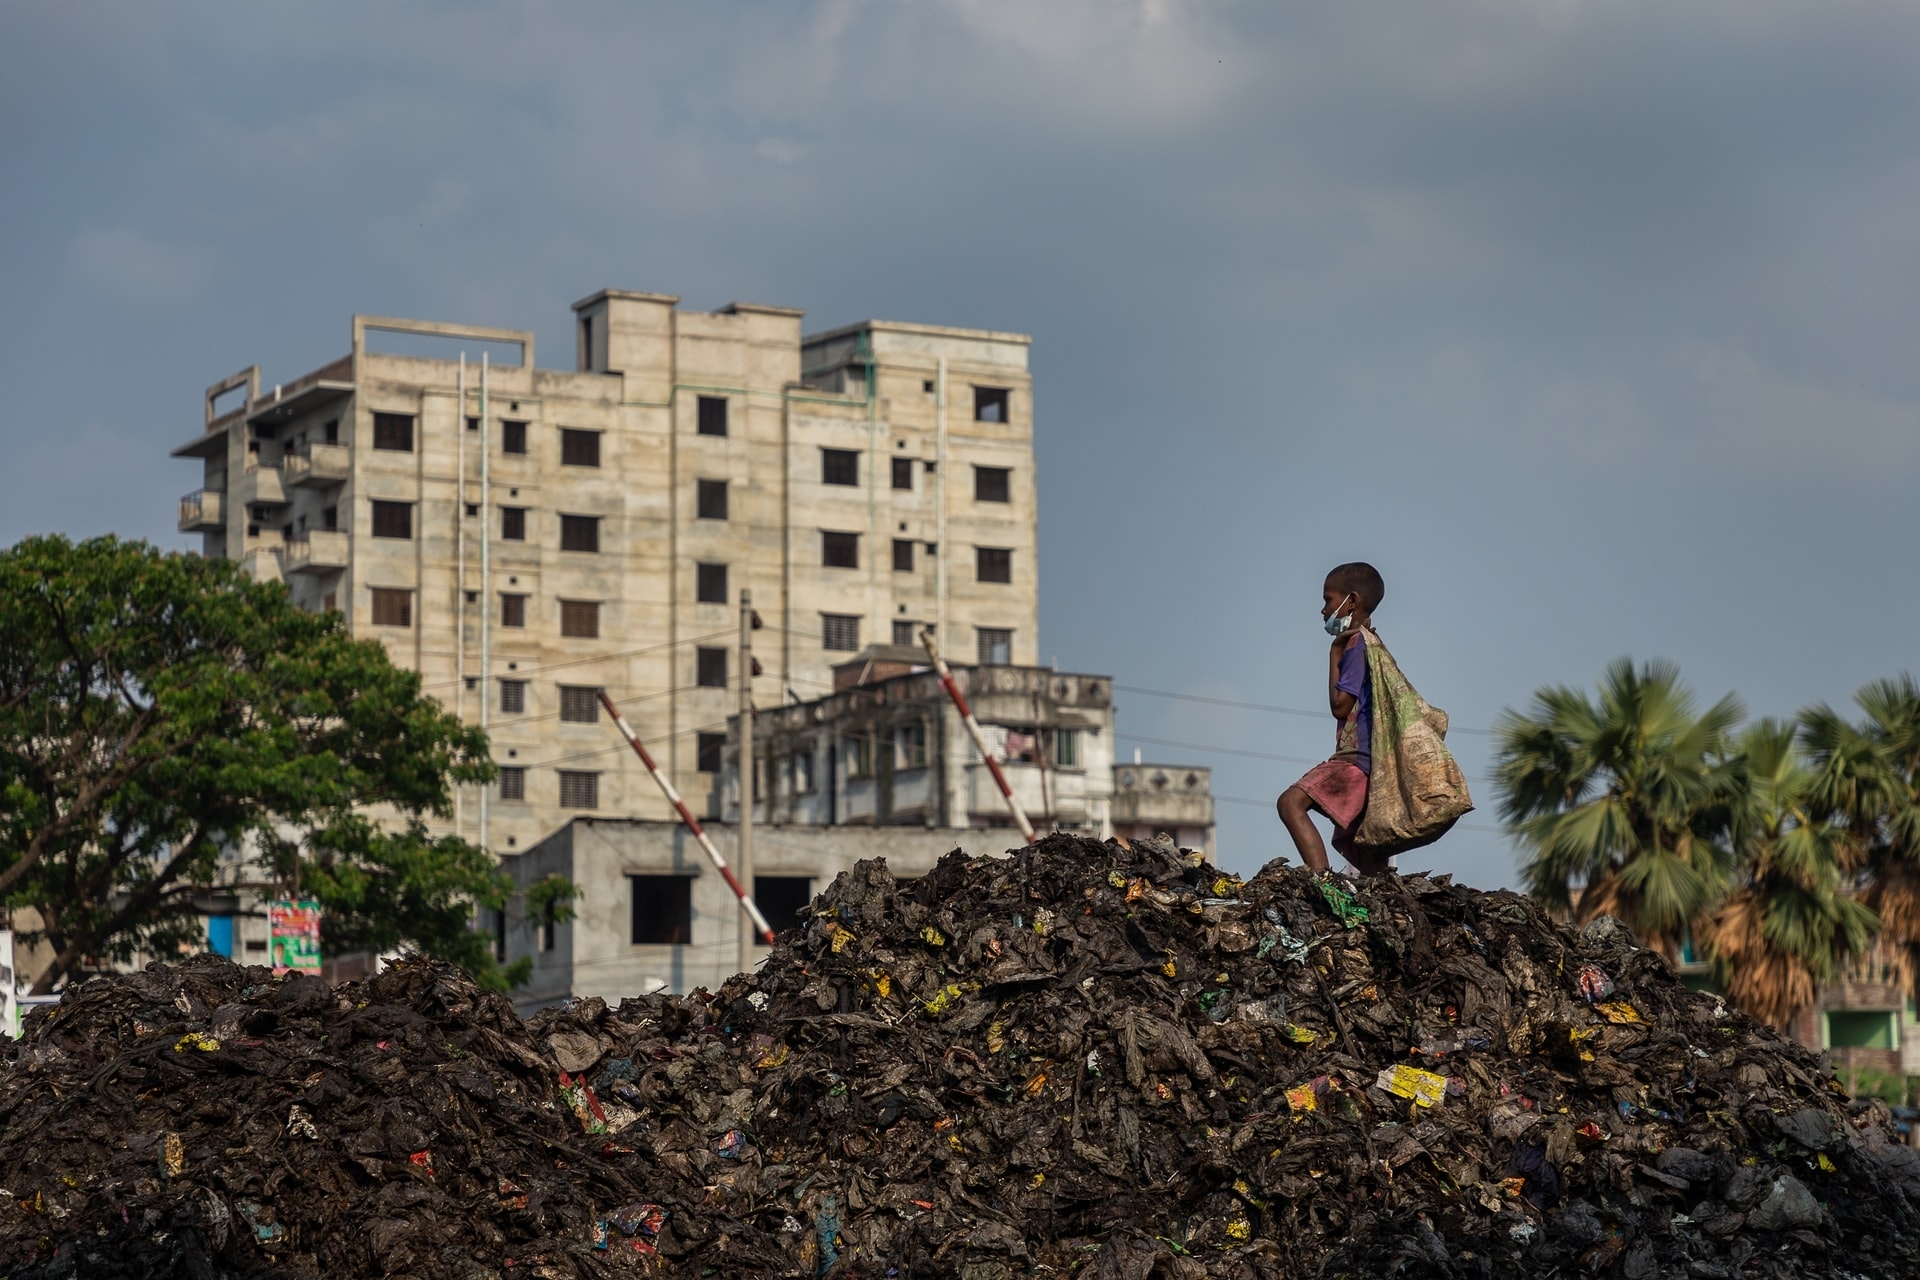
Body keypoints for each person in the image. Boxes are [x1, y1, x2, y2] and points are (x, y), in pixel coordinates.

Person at [1276, 562, 1392, 876]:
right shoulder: (1373, 644)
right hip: (1372, 763)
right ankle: (1390, 900)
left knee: (1290, 804)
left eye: (1329, 599)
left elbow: (1340, 706)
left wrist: (1334, 653)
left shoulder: (1355, 645)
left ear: (1351, 601)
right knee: (1365, 852)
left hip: (1356, 760)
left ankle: (1324, 887)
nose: (1323, 609)